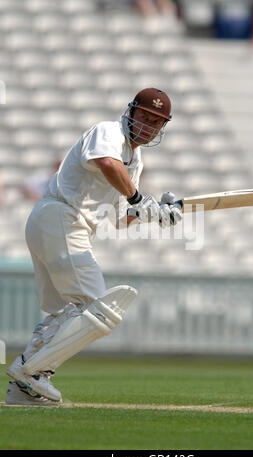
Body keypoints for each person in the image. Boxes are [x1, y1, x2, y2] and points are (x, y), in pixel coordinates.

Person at [5, 88, 182, 406]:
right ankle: (32, 371)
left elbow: (118, 216)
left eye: (156, 122)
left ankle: (24, 390)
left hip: (59, 224)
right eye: (144, 117)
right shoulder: (108, 132)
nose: (148, 126)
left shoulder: (135, 160)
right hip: (61, 216)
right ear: (130, 112)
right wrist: (140, 200)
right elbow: (107, 164)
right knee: (100, 307)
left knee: (65, 312)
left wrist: (155, 214)